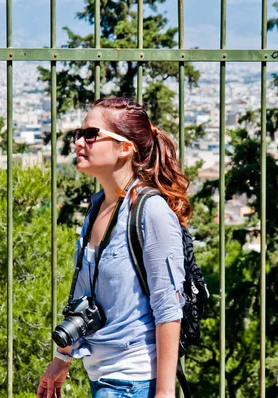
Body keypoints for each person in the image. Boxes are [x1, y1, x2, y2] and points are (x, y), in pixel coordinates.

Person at [36, 97, 191, 398]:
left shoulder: (151, 212)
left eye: (91, 134)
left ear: (125, 148)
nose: (79, 142)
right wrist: (62, 359)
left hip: (133, 382)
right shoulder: (97, 207)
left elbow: (169, 308)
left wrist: (164, 392)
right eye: (78, 134)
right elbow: (84, 294)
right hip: (101, 377)